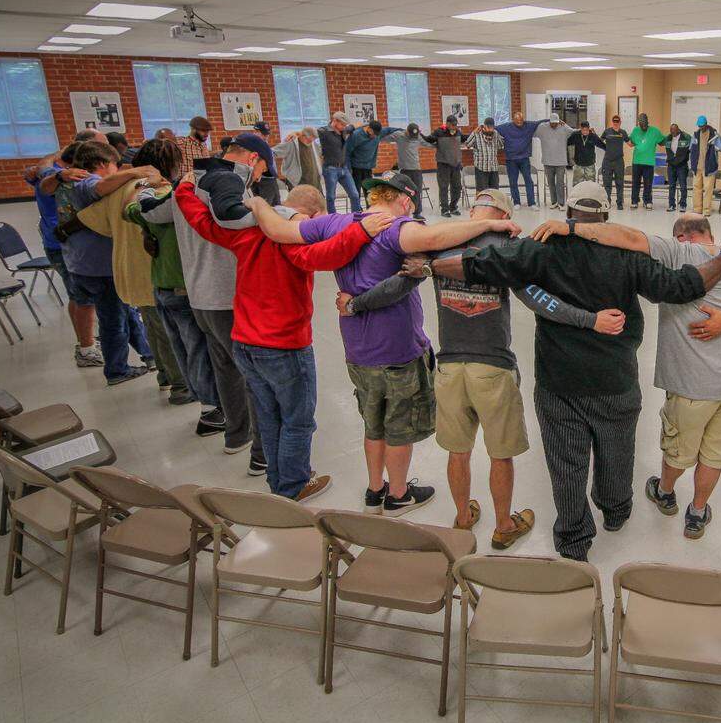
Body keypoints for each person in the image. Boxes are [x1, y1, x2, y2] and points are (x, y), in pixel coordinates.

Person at [433, 181, 721, 561]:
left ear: (568, 214)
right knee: (617, 452)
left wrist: (427, 263)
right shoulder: (626, 255)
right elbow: (683, 286)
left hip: (558, 382)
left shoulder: (541, 248)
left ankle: (573, 538)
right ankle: (615, 512)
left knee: (566, 464)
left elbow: (478, 265)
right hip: (615, 380)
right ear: (605, 217)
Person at [338, 189, 619, 548]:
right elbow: (541, 301)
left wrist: (356, 305)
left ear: (473, 211)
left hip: (450, 367)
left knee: (459, 451)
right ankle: (503, 525)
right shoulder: (506, 250)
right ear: (503, 218)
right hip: (493, 369)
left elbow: (396, 287)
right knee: (500, 453)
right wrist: (589, 319)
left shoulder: (440, 244)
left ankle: (463, 516)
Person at [251, 173, 525, 516]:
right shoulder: (398, 229)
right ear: (406, 202)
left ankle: (374, 487)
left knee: (372, 422)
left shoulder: (336, 223)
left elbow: (277, 231)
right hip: (398, 347)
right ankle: (398, 495)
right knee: (399, 426)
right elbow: (437, 235)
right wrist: (495, 227)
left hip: (357, 348)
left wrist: (257, 202)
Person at [545, 207, 721, 538]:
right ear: (710, 234)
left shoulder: (674, 252)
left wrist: (570, 228)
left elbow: (627, 236)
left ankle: (665, 493)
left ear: (680, 235)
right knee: (715, 456)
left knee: (678, 451)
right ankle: (698, 511)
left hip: (690, 387)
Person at [178, 182, 389, 503]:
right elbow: (327, 254)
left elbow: (203, 223)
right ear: (315, 214)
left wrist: (184, 189)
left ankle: (278, 482)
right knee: (298, 419)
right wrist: (362, 231)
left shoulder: (246, 233)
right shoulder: (293, 239)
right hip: (284, 347)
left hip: (245, 342)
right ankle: (293, 486)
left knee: (268, 414)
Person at [168, 133, 271, 473]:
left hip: (200, 294)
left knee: (226, 369)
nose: (258, 180)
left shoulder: (190, 182)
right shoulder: (227, 181)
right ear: (251, 158)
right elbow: (236, 220)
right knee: (254, 375)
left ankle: (235, 434)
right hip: (227, 294)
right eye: (261, 170)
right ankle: (262, 453)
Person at [125, 138, 227, 435]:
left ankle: (201, 400)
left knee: (182, 347)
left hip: (162, 282)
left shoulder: (143, 196)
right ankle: (212, 410)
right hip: (184, 283)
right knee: (198, 348)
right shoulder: (174, 195)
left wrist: (144, 186)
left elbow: (131, 211)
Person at [74, 143, 189, 402]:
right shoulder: (158, 189)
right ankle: (182, 386)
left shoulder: (118, 190)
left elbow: (93, 220)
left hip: (127, 266)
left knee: (153, 326)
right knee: (170, 332)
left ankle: (165, 376)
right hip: (154, 267)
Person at [56, 141, 161, 385]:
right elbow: (101, 186)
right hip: (98, 267)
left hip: (84, 264)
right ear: (103, 163)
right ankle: (117, 370)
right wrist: (136, 172)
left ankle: (149, 354)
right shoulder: (85, 183)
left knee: (125, 312)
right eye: (115, 165)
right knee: (113, 320)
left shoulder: (71, 184)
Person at [23, 145, 101, 367]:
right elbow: (43, 169)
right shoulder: (60, 177)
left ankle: (88, 342)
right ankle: (86, 348)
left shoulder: (51, 171)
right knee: (81, 297)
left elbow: (44, 165)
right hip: (64, 244)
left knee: (81, 296)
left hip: (66, 243)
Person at [318, 111, 361, 213]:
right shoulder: (324, 131)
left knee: (354, 195)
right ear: (335, 121)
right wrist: (295, 133)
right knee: (331, 197)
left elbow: (355, 125)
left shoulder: (344, 131)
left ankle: (356, 217)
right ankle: (333, 218)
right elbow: (309, 133)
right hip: (330, 169)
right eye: (342, 124)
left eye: (345, 125)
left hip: (344, 168)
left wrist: (357, 125)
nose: (344, 127)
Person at [425, 115, 467, 217]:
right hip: (443, 164)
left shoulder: (458, 132)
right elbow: (429, 139)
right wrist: (419, 134)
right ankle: (444, 209)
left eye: (456, 125)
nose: (454, 127)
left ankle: (453, 207)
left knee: (457, 187)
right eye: (452, 125)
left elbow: (464, 138)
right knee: (444, 187)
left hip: (456, 164)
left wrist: (476, 132)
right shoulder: (439, 132)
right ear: (447, 124)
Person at [383, 123, 427, 218]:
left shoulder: (417, 136)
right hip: (404, 169)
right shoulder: (399, 135)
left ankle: (417, 212)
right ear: (407, 131)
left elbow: (427, 143)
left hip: (416, 169)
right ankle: (403, 211)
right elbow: (384, 138)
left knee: (417, 191)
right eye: (411, 135)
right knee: (404, 191)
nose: (413, 137)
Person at [534, 114, 575, 209]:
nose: (554, 125)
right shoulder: (542, 128)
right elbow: (532, 133)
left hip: (561, 162)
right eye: (552, 123)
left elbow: (573, 132)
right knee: (550, 183)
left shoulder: (563, 128)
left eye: (556, 123)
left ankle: (561, 203)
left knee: (560, 183)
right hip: (547, 161)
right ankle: (554, 202)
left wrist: (565, 124)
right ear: (549, 121)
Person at [628, 113, 665, 210]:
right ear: (639, 123)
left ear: (648, 122)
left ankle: (647, 201)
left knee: (648, 183)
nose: (643, 127)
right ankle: (634, 201)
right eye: (641, 125)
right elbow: (631, 143)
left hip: (649, 162)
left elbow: (662, 142)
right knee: (635, 182)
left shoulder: (655, 131)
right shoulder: (635, 130)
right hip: (637, 161)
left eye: (645, 125)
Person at [344, 119, 396, 186]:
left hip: (368, 168)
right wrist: (348, 169)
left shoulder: (378, 133)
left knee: (369, 190)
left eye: (377, 135)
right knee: (356, 192)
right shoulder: (356, 135)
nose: (375, 137)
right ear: (369, 129)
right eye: (374, 134)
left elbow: (390, 130)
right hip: (356, 168)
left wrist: (405, 132)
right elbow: (346, 153)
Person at [466, 117, 506, 190]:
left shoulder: (495, 133)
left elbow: (501, 145)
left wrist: (498, 136)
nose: (490, 129)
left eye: (492, 127)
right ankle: (481, 201)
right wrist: (473, 132)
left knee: (494, 191)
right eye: (489, 127)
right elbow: (468, 144)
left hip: (493, 167)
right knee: (482, 191)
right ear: (484, 126)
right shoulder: (477, 134)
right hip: (481, 168)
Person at [600, 115, 629, 210]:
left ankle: (619, 203)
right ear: (612, 122)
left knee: (619, 183)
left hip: (619, 162)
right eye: (614, 122)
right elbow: (600, 141)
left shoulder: (623, 133)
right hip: (607, 161)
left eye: (617, 122)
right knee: (607, 183)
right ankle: (607, 201)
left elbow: (630, 143)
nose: (615, 123)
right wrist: (607, 148)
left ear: (620, 122)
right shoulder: (607, 131)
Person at [662, 123, 690, 213]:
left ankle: (683, 205)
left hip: (682, 165)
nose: (672, 132)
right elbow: (668, 151)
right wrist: (672, 161)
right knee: (671, 185)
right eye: (671, 130)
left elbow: (688, 151)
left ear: (678, 129)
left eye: (674, 130)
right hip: (671, 165)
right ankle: (671, 204)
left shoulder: (685, 137)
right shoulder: (668, 138)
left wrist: (680, 160)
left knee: (683, 186)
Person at [567, 121, 605, 188]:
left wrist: (610, 150)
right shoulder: (575, 135)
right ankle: (578, 197)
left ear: (589, 128)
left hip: (590, 164)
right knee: (577, 185)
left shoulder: (593, 136)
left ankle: (590, 197)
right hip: (578, 164)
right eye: (583, 130)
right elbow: (567, 142)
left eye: (586, 130)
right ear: (580, 128)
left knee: (591, 184)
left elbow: (602, 145)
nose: (585, 132)